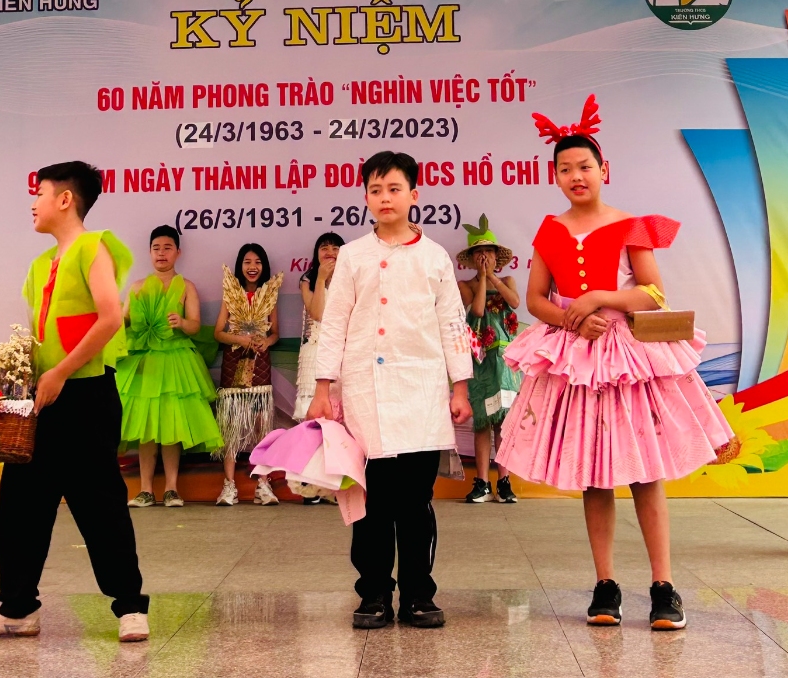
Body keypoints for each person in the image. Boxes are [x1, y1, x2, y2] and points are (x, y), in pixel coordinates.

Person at [495, 97, 733, 633]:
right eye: (565, 169)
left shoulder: (631, 225)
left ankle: (663, 587)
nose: (576, 176)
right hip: (578, 361)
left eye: (585, 166)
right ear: (554, 177)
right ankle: (605, 585)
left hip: (628, 358)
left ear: (604, 169)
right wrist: (573, 319)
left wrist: (601, 297)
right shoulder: (549, 231)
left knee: (645, 472)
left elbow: (653, 293)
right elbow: (534, 300)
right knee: (594, 474)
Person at [0, 161, 151, 644]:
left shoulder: (93, 246)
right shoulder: (40, 264)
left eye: (40, 193)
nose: (33, 203)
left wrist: (61, 372)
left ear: (65, 199)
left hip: (86, 395)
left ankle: (130, 606)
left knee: (100, 504)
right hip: (42, 399)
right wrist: (8, 389)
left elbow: (110, 318)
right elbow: (38, 338)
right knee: (20, 504)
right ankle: (18, 608)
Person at [308, 151, 473, 631]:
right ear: (365, 197)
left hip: (422, 391)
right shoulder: (354, 255)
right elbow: (334, 322)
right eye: (376, 190)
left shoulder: (434, 256)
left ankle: (420, 594)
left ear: (414, 195)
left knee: (415, 503)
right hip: (366, 393)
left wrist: (460, 387)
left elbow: (452, 323)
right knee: (372, 503)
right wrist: (323, 387)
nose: (385, 198)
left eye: (394, 189)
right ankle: (374, 593)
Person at [117, 224, 223, 509]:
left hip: (177, 362)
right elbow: (122, 321)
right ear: (149, 252)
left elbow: (195, 325)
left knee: (172, 427)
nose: (161, 253)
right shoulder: (137, 286)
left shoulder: (187, 286)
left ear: (178, 252)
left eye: (167, 248)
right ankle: (145, 490)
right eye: (156, 248)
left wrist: (182, 322)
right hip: (145, 364)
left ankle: (172, 489)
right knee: (146, 429)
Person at [456, 215, 521, 505]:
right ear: (472, 259)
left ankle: (504, 481)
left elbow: (515, 302)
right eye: (479, 253)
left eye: (489, 252)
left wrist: (493, 277)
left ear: (497, 257)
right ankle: (481, 482)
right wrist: (482, 278)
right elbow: (478, 311)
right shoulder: (465, 285)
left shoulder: (507, 280)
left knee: (503, 420)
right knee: (483, 419)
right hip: (480, 359)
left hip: (505, 361)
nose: (484, 257)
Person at [214, 242, 282, 506]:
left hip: (260, 365)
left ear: (264, 267)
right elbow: (218, 333)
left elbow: (275, 333)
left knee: (261, 425)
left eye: (257, 262)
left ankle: (263, 484)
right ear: (239, 266)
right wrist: (239, 339)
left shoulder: (269, 295)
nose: (252, 267)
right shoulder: (231, 295)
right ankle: (229, 486)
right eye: (247, 262)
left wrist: (267, 341)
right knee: (231, 427)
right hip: (234, 363)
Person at [292, 231, 345, 503]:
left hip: (344, 353)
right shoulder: (308, 280)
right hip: (315, 351)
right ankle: (312, 485)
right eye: (324, 247)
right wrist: (322, 278)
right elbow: (317, 313)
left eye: (336, 248)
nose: (330, 252)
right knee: (314, 421)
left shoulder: (351, 278)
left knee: (339, 421)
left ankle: (338, 484)